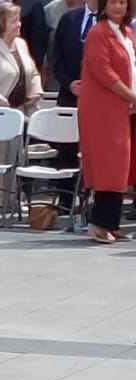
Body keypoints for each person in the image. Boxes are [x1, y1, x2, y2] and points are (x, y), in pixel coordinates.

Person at [0, 1, 42, 203]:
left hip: (19, 111)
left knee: (15, 156)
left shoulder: (21, 44)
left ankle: (12, 202)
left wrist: (36, 92)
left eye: (19, 20)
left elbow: (33, 72)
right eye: (14, 21)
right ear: (1, 23)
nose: (19, 25)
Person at [78, 0, 136, 242]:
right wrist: (130, 94)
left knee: (120, 165)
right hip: (103, 108)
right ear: (103, 6)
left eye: (122, 2)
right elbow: (103, 71)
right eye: (113, 2)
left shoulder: (127, 32)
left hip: (122, 108)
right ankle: (99, 223)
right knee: (107, 164)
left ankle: (111, 223)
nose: (118, 7)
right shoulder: (97, 32)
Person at [49, 0, 90, 107]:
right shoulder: (68, 19)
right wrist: (69, 83)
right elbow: (56, 57)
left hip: (101, 101)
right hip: (68, 99)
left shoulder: (113, 23)